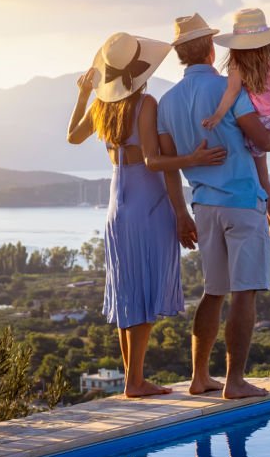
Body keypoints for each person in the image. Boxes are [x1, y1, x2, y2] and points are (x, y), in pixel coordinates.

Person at [67, 31, 226, 398]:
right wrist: (193, 160)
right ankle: (135, 381)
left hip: (117, 206)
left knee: (128, 292)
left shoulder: (102, 107)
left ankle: (132, 380)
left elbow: (73, 137)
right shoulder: (146, 104)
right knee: (147, 289)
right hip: (147, 204)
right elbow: (156, 162)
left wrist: (83, 94)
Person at [156, 13, 270, 399]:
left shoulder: (166, 102)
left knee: (213, 292)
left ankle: (199, 377)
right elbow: (260, 136)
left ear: (180, 55)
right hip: (242, 202)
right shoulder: (229, 87)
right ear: (211, 48)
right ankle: (235, 381)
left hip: (203, 206)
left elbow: (169, 168)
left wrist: (180, 214)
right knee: (245, 293)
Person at [203, 7, 270, 236]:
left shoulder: (237, 66)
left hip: (253, 126)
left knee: (259, 176)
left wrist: (217, 116)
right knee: (262, 174)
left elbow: (231, 94)